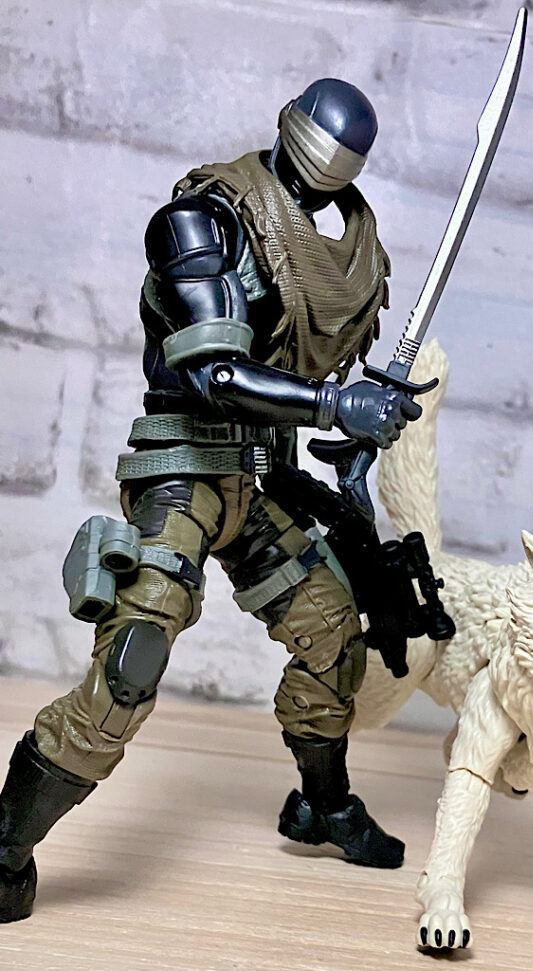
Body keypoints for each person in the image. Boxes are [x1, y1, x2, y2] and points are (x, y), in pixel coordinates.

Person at [0, 78, 422, 923]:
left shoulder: (347, 247)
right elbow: (215, 371)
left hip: (258, 479)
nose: (330, 174)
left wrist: (356, 427)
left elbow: (307, 375)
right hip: (183, 473)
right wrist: (335, 405)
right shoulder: (201, 221)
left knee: (333, 634)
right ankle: (6, 846)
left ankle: (322, 806)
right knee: (131, 662)